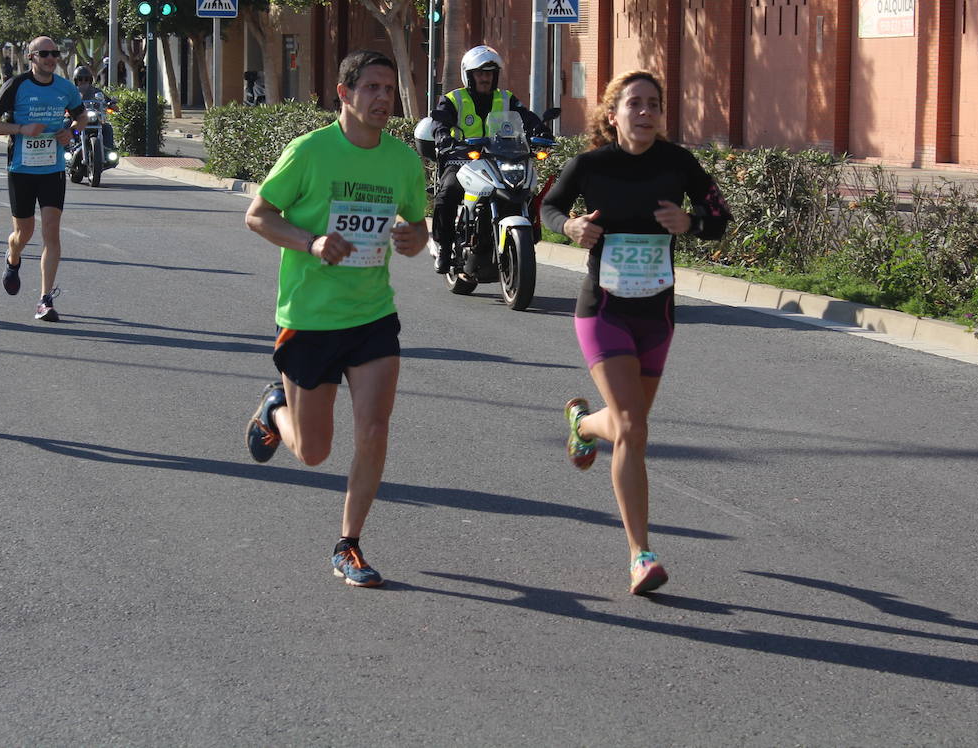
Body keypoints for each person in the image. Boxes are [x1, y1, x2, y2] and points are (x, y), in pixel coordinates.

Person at [540, 70, 732, 596]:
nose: (645, 113)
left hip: (657, 313)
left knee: (631, 426)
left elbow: (720, 217)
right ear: (612, 113)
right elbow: (548, 208)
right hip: (603, 309)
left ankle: (582, 425)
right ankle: (640, 554)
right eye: (634, 104)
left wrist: (689, 223)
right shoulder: (590, 165)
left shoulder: (678, 164)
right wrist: (570, 227)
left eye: (654, 104)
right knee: (632, 427)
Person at [243, 49, 429, 588]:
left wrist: (415, 238)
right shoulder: (309, 151)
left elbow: (417, 231)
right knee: (314, 452)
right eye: (370, 87)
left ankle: (348, 544)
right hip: (310, 316)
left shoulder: (402, 160)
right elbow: (257, 214)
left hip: (373, 314)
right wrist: (312, 241)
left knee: (373, 428)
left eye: (389, 90)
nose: (382, 99)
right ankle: (275, 411)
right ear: (344, 94)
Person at [415, 45, 545, 273]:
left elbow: (527, 117)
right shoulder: (453, 98)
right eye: (480, 73)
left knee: (525, 188)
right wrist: (443, 136)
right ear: (469, 75)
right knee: (448, 192)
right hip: (462, 160)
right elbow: (439, 121)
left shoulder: (506, 98)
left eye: (489, 73)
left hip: (499, 158)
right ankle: (444, 248)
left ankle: (527, 235)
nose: (485, 78)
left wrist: (541, 131)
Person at [0, 35, 85, 322]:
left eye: (54, 53)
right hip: (21, 170)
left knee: (51, 232)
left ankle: (45, 299)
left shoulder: (65, 88)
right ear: (31, 57)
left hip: (52, 170)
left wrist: (71, 130)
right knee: (23, 234)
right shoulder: (16, 86)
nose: (51, 58)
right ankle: (12, 258)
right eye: (44, 54)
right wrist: (20, 128)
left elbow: (82, 116)